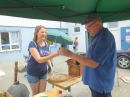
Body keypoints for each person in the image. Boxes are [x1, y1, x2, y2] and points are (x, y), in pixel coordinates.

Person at [58, 13, 117, 97]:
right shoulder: (97, 36)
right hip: (95, 81)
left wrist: (71, 54)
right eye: (86, 28)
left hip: (101, 83)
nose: (87, 30)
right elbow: (92, 55)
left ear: (97, 23)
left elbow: (93, 62)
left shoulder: (105, 38)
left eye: (88, 27)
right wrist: (79, 57)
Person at [26, 25, 59, 97]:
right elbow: (39, 60)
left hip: (43, 72)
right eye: (42, 32)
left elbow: (47, 58)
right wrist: (55, 55)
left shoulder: (47, 44)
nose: (44, 34)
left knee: (42, 94)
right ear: (36, 33)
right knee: (36, 95)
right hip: (33, 73)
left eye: (45, 32)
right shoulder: (32, 44)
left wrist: (50, 67)